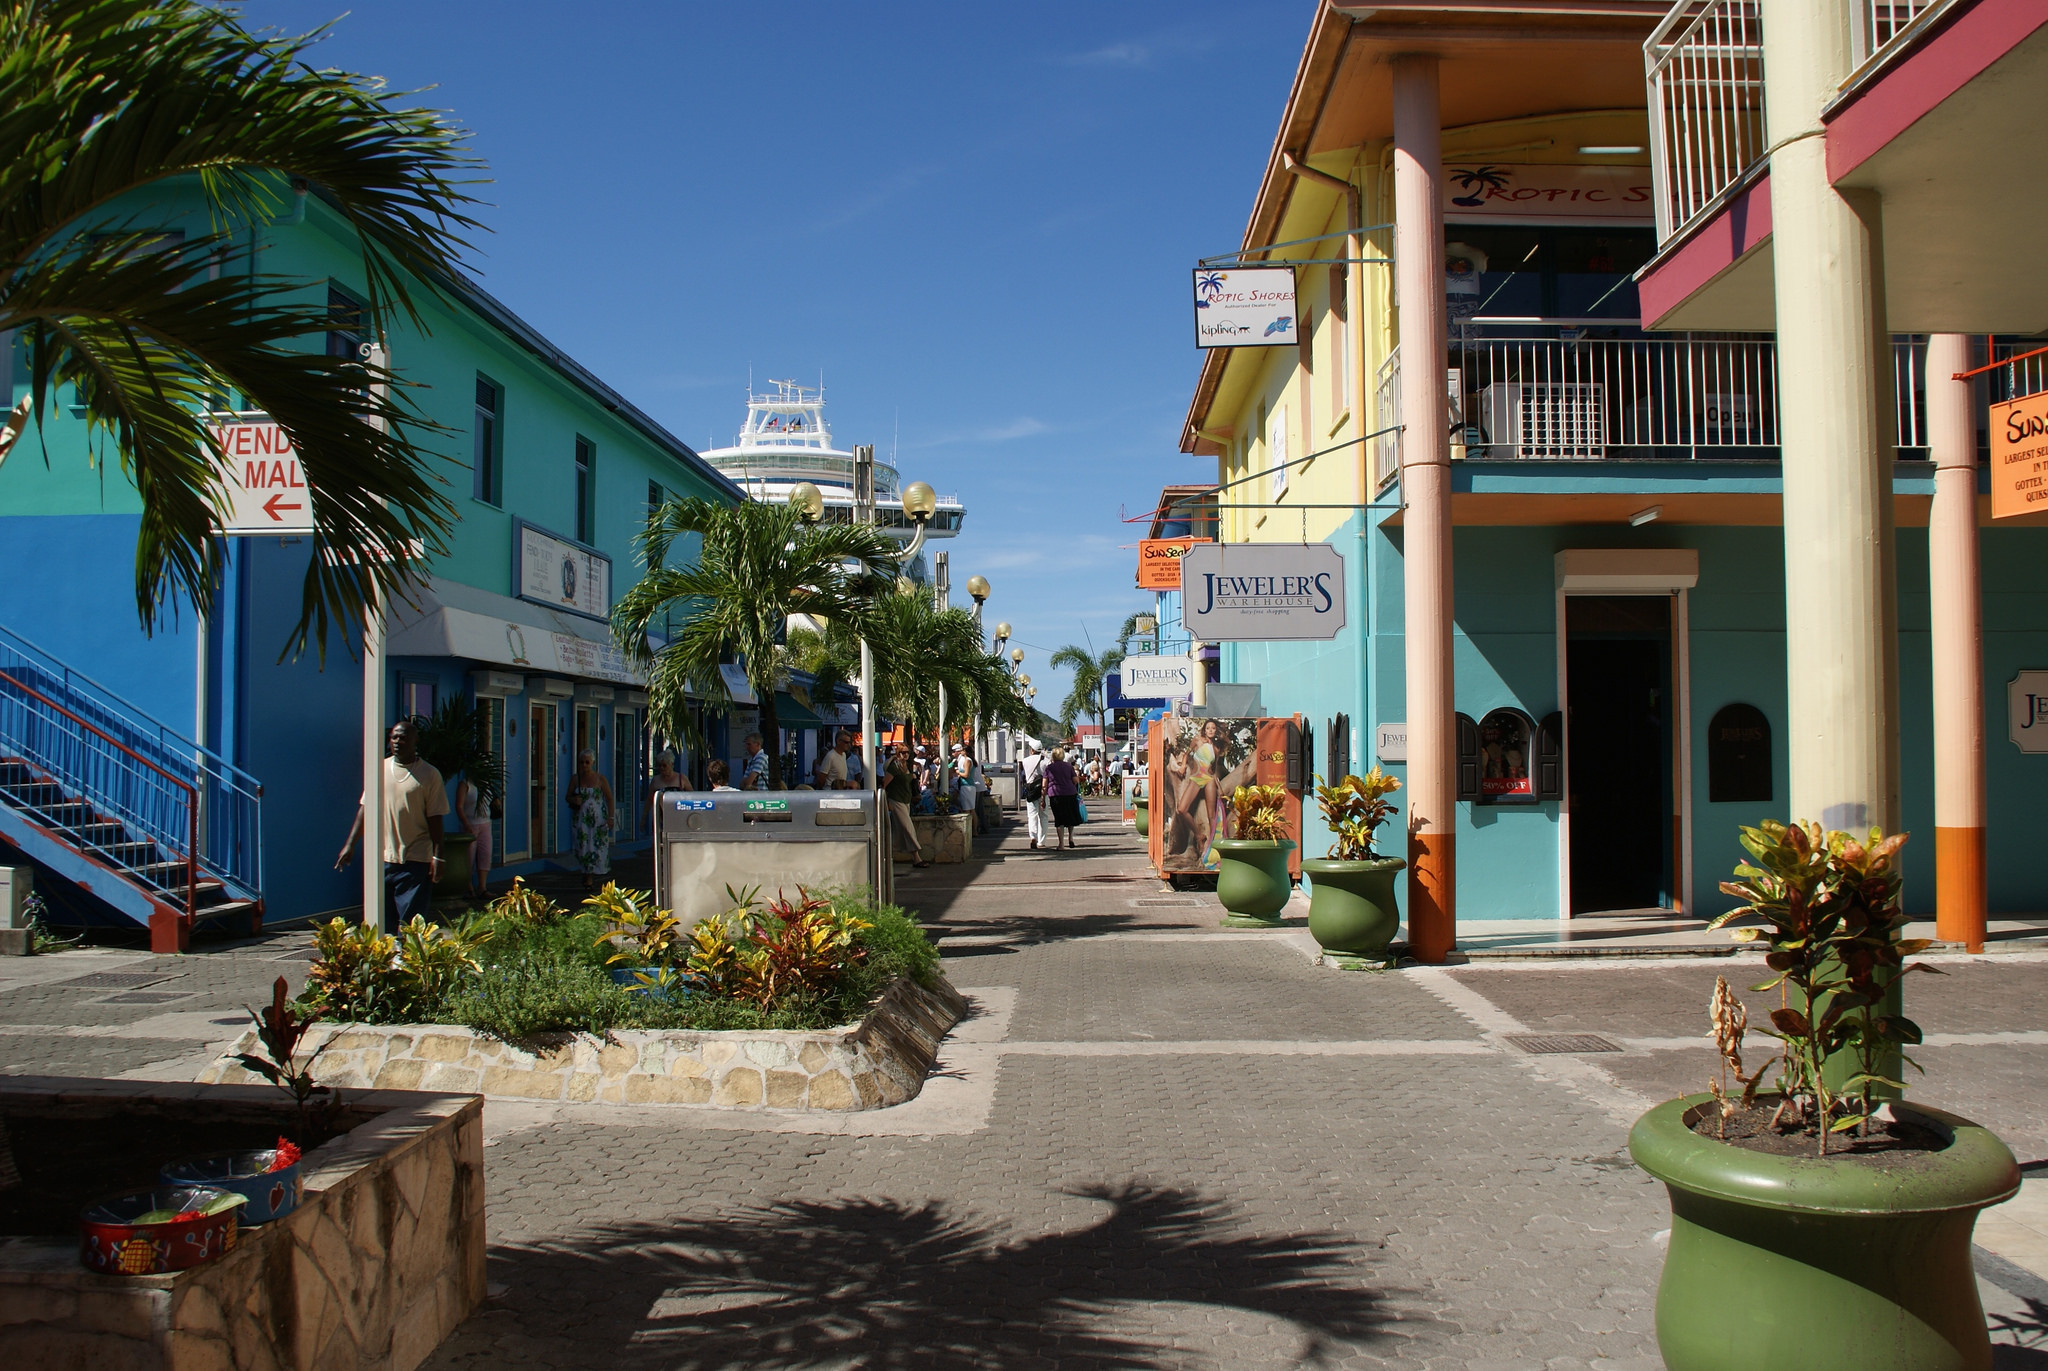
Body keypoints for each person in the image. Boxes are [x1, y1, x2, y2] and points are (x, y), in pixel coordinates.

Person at [334, 719, 447, 932]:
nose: (397, 742)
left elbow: (436, 820)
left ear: (415, 741)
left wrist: (438, 856)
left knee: (411, 924)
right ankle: (389, 962)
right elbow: (365, 809)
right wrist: (350, 845)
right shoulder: (380, 769)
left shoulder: (429, 775)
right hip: (383, 860)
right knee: (383, 922)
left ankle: (405, 961)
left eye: (403, 737)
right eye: (394, 737)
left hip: (415, 860)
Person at [565, 749, 614, 893]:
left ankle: (591, 876)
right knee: (583, 846)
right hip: (581, 820)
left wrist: (611, 817)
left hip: (598, 820)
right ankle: (587, 874)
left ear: (592, 762)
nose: (584, 765)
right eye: (582, 762)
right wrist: (574, 799)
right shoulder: (576, 779)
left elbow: (609, 798)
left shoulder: (600, 779)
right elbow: (567, 796)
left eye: (587, 762)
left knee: (597, 847)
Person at [884, 744, 930, 868]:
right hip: (896, 800)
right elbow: (884, 786)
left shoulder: (906, 767)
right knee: (908, 828)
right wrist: (887, 802)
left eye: (907, 752)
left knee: (898, 830)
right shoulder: (894, 768)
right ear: (898, 753)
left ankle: (889, 854)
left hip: (906, 800)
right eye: (903, 752)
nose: (906, 755)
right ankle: (917, 857)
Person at [454, 771, 492, 901]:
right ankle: (469, 887)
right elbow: (459, 806)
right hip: (470, 825)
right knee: (468, 857)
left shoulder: (486, 785)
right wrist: (465, 824)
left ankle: (482, 887)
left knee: (485, 854)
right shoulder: (465, 785)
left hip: (485, 823)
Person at [1043, 746, 1083, 850]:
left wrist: (1043, 798)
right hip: (1070, 793)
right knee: (1070, 816)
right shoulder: (1069, 766)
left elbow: (1044, 785)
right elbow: (1075, 781)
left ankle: (1061, 844)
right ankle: (1070, 838)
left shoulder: (1049, 768)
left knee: (1059, 819)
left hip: (1055, 795)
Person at [1020, 739, 1049, 850]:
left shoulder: (1025, 760)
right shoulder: (1046, 761)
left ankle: (1033, 837)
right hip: (1043, 790)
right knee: (1044, 816)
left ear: (1031, 749)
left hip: (1031, 790)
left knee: (1032, 815)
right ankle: (1041, 841)